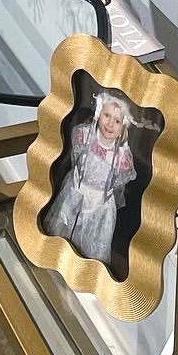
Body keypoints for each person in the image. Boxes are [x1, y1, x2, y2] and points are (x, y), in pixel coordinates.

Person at [43, 87, 138, 263]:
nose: (110, 124)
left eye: (117, 121)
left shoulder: (121, 156)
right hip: (75, 191)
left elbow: (118, 182)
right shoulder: (84, 135)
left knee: (90, 241)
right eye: (106, 115)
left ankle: (85, 269)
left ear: (123, 126)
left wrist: (104, 193)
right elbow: (75, 159)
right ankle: (56, 257)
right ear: (98, 114)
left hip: (99, 204)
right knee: (63, 229)